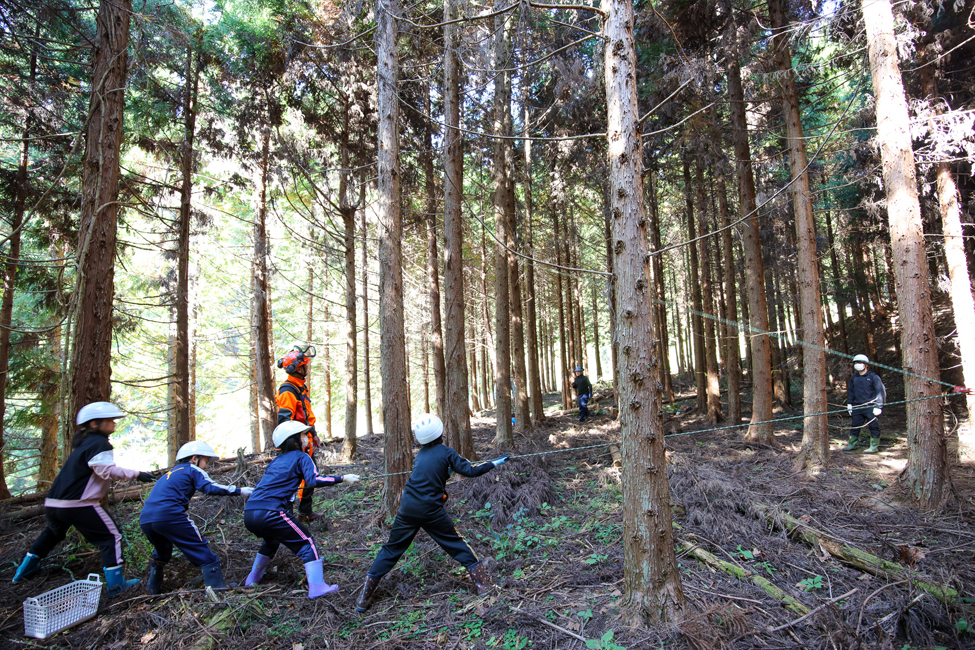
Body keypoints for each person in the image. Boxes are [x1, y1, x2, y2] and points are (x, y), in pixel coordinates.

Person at [354, 414, 508, 613]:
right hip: (430, 510)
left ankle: (364, 597)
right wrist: (494, 463)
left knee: (391, 549)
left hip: (407, 508)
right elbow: (470, 470)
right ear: (441, 432)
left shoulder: (421, 455)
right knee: (456, 543)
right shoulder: (447, 452)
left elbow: (430, 475)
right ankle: (483, 586)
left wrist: (445, 473)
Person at [11, 402, 155, 594]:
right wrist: (138, 474)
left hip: (54, 504)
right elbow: (106, 470)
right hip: (79, 504)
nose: (114, 423)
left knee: (53, 533)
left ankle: (22, 573)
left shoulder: (85, 444)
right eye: (110, 420)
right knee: (111, 537)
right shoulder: (100, 443)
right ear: (95, 423)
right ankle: (116, 586)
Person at [243, 420, 359, 599]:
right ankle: (317, 587)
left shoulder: (275, 462)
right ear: (294, 440)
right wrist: (342, 478)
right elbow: (314, 480)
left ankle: (252, 580)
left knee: (271, 540)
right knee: (307, 542)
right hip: (272, 512)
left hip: (250, 512)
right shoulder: (302, 457)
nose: (306, 438)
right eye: (303, 435)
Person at [140, 441, 254, 594]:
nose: (206, 466)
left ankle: (152, 589)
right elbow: (210, 487)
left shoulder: (168, 474)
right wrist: (240, 491)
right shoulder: (192, 469)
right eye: (206, 461)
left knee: (162, 552)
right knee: (201, 548)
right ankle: (217, 589)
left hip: (146, 519)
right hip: (170, 515)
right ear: (195, 458)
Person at [276, 343, 324, 522]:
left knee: (311, 474)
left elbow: (305, 414)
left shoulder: (300, 387)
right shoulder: (288, 391)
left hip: (305, 438)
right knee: (292, 479)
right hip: (294, 443)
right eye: (304, 366)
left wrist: (313, 433)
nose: (307, 368)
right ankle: (285, 514)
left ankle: (305, 512)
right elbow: (284, 421)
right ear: (297, 369)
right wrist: (294, 444)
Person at [845, 354, 887, 453]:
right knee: (855, 426)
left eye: (860, 363)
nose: (857, 365)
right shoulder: (854, 377)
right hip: (857, 406)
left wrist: (878, 406)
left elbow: (880, 391)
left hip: (871, 407)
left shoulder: (873, 377)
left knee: (873, 426)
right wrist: (849, 403)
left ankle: (874, 446)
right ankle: (852, 444)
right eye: (856, 363)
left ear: (866, 365)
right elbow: (851, 391)